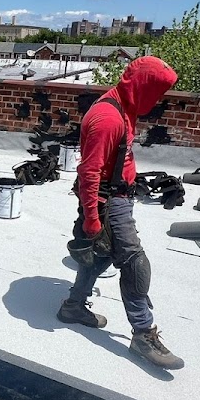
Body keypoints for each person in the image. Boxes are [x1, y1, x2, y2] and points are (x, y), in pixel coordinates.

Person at [59, 56, 183, 370]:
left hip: (118, 195)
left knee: (100, 256)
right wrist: (92, 218)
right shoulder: (108, 118)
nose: (157, 99)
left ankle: (73, 306)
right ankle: (143, 334)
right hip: (108, 202)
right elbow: (89, 171)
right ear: (140, 86)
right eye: (155, 91)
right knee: (134, 262)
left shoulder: (124, 106)